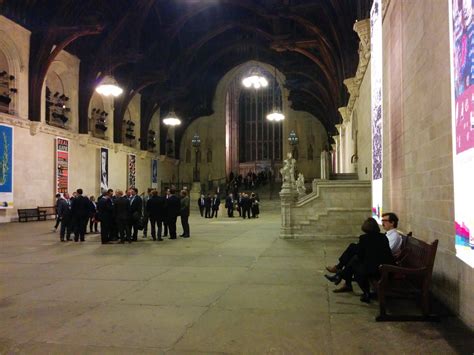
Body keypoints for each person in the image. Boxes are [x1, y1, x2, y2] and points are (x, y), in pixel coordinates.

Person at [326, 212, 402, 293]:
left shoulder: (394, 236)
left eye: (385, 220)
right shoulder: (385, 235)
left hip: (382, 265)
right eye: (382, 220)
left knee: (354, 256)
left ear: (392, 222)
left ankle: (340, 273)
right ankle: (340, 275)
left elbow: (385, 251)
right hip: (377, 261)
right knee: (354, 254)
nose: (383, 222)